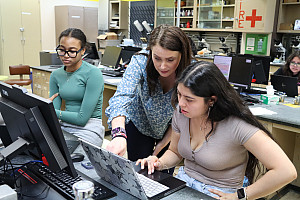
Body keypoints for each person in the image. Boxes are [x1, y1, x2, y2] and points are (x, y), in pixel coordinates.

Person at [137, 61, 297, 199]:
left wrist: (241, 195)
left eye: (189, 99)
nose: (181, 103)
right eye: (179, 94)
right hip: (184, 185)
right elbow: (175, 152)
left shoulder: (237, 126)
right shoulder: (182, 113)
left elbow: (286, 171)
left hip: (220, 194)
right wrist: (158, 162)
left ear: (211, 100)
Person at [105, 24, 193, 166]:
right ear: (150, 51)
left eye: (170, 60)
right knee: (138, 171)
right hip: (139, 125)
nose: (163, 66)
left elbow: (183, 115)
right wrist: (118, 134)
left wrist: (163, 144)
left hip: (171, 129)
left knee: (162, 175)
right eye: (157, 58)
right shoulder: (140, 62)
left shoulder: (190, 71)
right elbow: (121, 98)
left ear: (182, 55)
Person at [49, 28, 105, 147]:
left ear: (83, 51)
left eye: (72, 51)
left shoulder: (93, 74)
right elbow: (52, 114)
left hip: (89, 128)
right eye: (62, 50)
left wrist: (53, 112)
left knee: (71, 158)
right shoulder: (55, 75)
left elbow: (82, 119)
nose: (66, 56)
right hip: (64, 125)